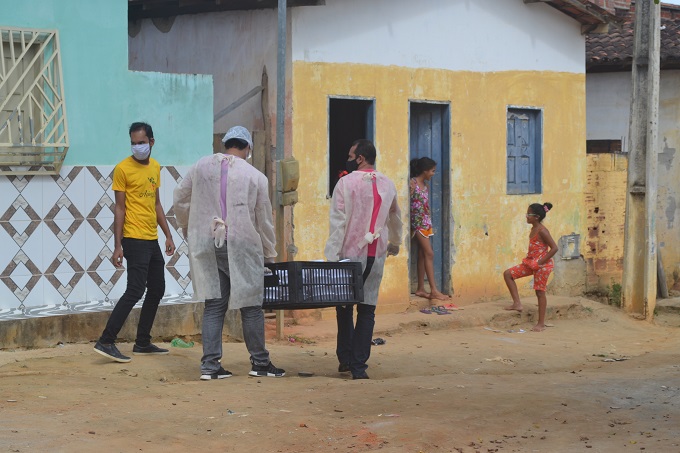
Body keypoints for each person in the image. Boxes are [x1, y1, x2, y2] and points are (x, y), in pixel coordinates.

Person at [173, 126, 285, 380]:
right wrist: (269, 252)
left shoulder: (201, 166)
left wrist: (187, 227)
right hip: (242, 244)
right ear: (247, 148)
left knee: (214, 304)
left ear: (225, 144)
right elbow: (264, 219)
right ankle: (260, 363)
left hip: (208, 240)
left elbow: (179, 197)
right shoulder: (255, 175)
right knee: (251, 305)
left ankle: (210, 366)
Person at [94, 122, 176, 363]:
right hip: (133, 238)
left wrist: (168, 235)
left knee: (157, 288)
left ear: (151, 142)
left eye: (141, 142)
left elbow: (157, 203)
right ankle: (106, 341)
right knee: (136, 289)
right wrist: (117, 245)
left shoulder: (156, 167)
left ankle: (142, 342)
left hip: (152, 238)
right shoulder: (122, 169)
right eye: (134, 143)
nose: (137, 147)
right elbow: (119, 208)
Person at [325, 139, 403, 380]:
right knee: (367, 309)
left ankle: (345, 359)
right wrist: (395, 243)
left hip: (349, 254)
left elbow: (338, 222)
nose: (348, 158)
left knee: (345, 308)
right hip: (376, 254)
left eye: (351, 154)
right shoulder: (388, 184)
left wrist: (331, 255)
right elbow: (395, 217)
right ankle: (359, 367)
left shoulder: (345, 184)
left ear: (359, 158)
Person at [503, 203, 559, 332]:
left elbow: (554, 248)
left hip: (542, 266)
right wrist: (534, 262)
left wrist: (540, 262)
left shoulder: (543, 231)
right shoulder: (533, 228)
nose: (526, 216)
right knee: (508, 274)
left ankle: (541, 323)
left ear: (537, 217)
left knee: (540, 292)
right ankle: (517, 303)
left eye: (529, 214)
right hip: (530, 263)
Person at [410, 157, 450, 302]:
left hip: (426, 223)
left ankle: (421, 288)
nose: (433, 173)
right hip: (418, 223)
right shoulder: (412, 183)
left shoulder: (425, 185)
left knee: (422, 254)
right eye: (432, 171)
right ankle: (434, 290)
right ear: (425, 170)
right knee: (429, 253)